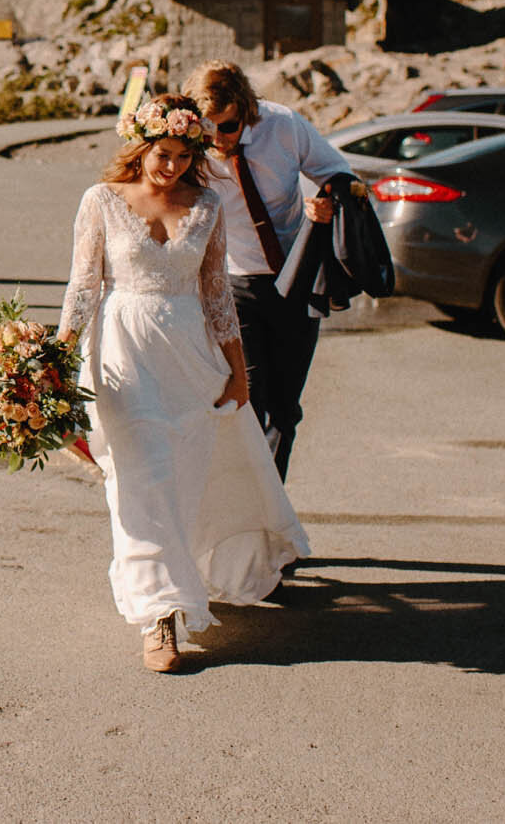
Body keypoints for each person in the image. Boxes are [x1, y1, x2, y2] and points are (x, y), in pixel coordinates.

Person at [55, 93, 308, 673]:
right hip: (121, 355)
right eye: (161, 154)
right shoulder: (102, 201)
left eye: (181, 156)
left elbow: (217, 293)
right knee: (141, 481)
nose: (169, 167)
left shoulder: (208, 204)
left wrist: (239, 374)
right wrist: (55, 365)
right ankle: (159, 617)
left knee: (185, 479)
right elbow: (82, 288)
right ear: (141, 147)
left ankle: (183, 578)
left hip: (192, 358)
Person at [183, 60, 353, 480]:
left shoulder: (283, 125)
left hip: (296, 278)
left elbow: (336, 171)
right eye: (209, 128)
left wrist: (327, 199)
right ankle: (246, 503)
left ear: (247, 111)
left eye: (229, 127)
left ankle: (271, 502)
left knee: (285, 409)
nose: (219, 140)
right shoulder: (193, 146)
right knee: (246, 400)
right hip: (237, 283)